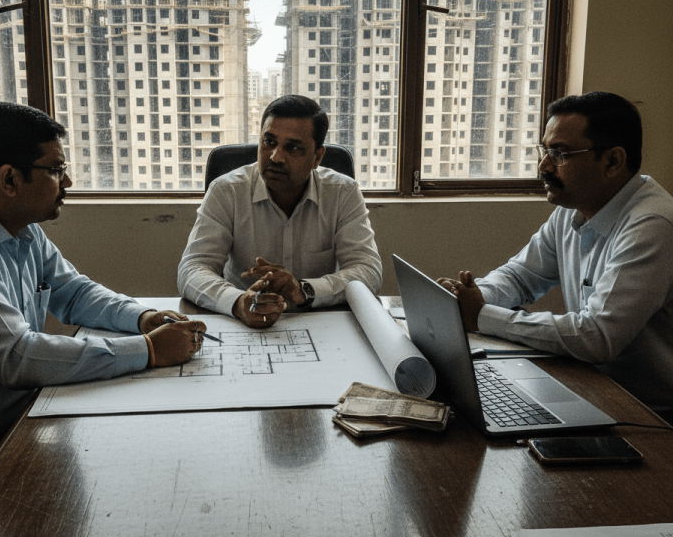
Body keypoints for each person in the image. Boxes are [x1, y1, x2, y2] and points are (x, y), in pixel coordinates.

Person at [0, 102, 207, 500]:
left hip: (12, 420)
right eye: (56, 170)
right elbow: (18, 357)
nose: (68, 182)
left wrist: (143, 318)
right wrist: (149, 351)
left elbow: (75, 292)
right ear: (9, 179)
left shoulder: (20, 229)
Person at [438, 92, 673, 411]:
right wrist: (472, 296)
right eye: (545, 150)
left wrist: (481, 315)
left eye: (560, 154)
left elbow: (597, 337)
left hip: (650, 416)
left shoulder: (653, 224)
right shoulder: (573, 207)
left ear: (612, 161)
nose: (543, 166)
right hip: (593, 388)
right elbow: (520, 277)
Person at [177, 95, 382, 328]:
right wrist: (237, 301)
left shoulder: (342, 193)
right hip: (244, 325)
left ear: (317, 157)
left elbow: (368, 271)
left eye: (293, 147)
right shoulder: (227, 191)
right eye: (269, 142)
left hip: (319, 323)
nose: (276, 157)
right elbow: (192, 269)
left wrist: (305, 289)